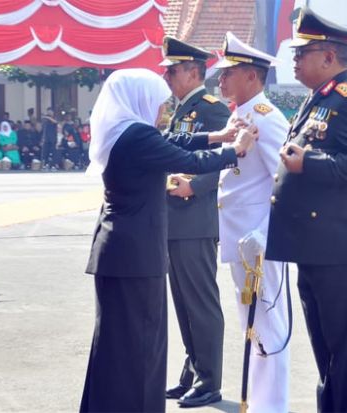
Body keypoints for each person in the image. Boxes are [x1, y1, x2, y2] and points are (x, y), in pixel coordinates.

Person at [80, 68, 256, 413]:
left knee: (116, 342)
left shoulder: (123, 132)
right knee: (142, 342)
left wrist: (216, 136)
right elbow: (187, 159)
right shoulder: (137, 136)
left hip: (117, 250)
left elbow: (173, 143)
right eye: (159, 104)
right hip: (135, 254)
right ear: (140, 101)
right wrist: (235, 149)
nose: (163, 112)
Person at [267, 8, 347, 412]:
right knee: (328, 352)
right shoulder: (317, 99)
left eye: (302, 53)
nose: (295, 60)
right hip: (317, 246)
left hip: (343, 247)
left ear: (328, 57)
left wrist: (309, 164)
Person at [213, 31, 291, 413]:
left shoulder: (266, 118)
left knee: (269, 328)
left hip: (259, 244)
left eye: (229, 73)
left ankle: (272, 406)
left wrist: (267, 234)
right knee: (253, 328)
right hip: (241, 243)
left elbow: (287, 182)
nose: (221, 80)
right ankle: (259, 404)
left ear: (252, 77)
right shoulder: (238, 116)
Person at [159, 36, 232, 408]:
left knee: (200, 303)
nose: (168, 76)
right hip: (174, 219)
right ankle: (192, 371)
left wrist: (196, 186)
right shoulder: (180, 108)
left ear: (193, 71)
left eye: (173, 70)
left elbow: (227, 158)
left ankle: (210, 381)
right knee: (184, 303)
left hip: (196, 219)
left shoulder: (212, 109)